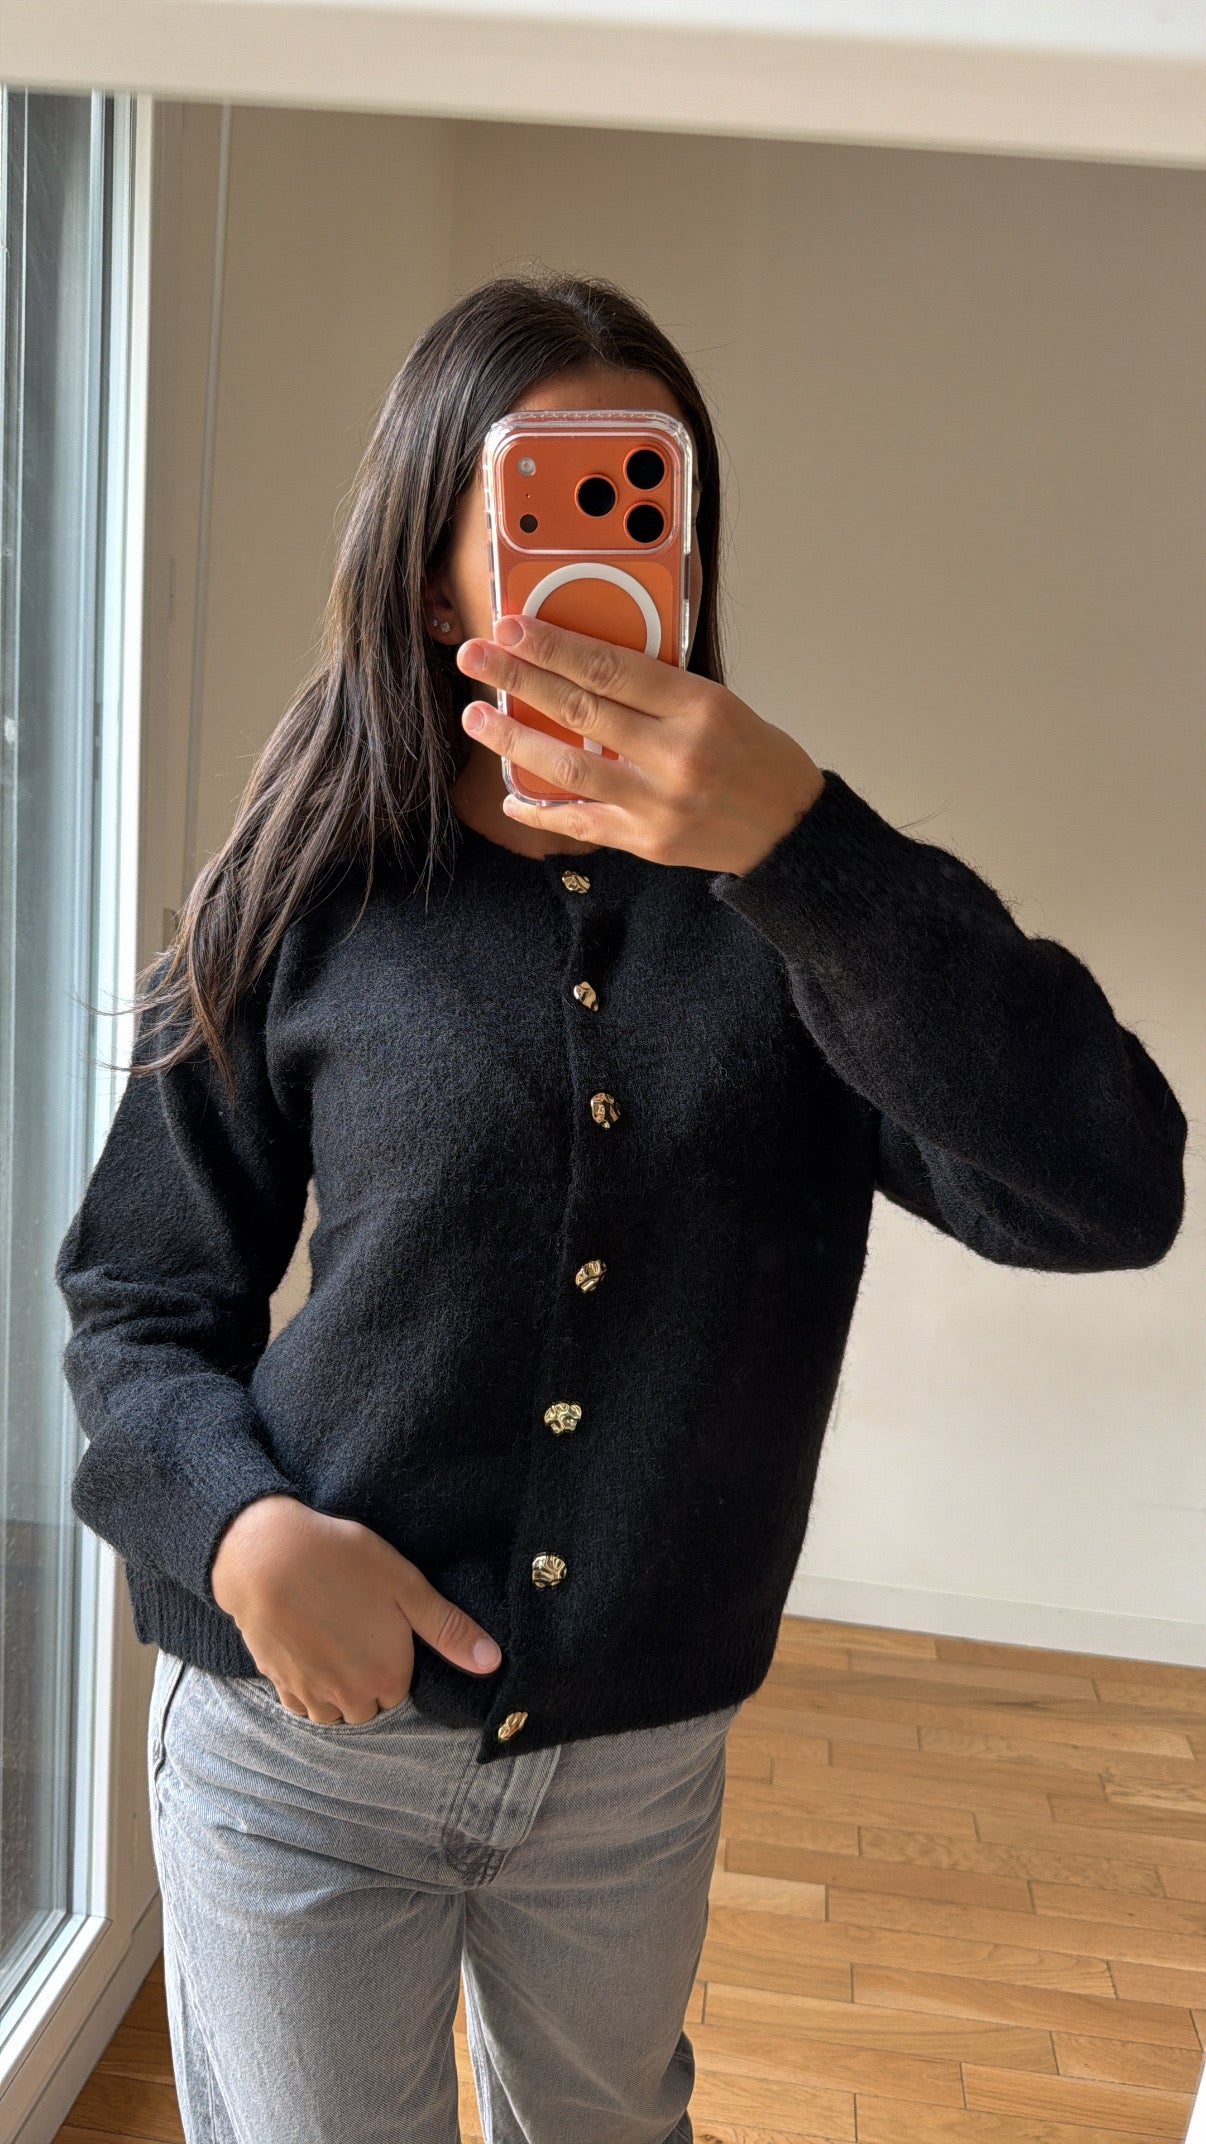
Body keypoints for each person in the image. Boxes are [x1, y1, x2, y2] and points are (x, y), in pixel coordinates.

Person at [54, 268, 1187, 2144]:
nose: (603, 541)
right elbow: (137, 1303)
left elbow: (1106, 1191)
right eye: (543, 496)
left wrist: (805, 852)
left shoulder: (803, 915)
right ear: (440, 575)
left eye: (644, 494)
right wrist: (238, 1531)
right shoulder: (304, 898)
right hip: (305, 1748)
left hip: (634, 1767)